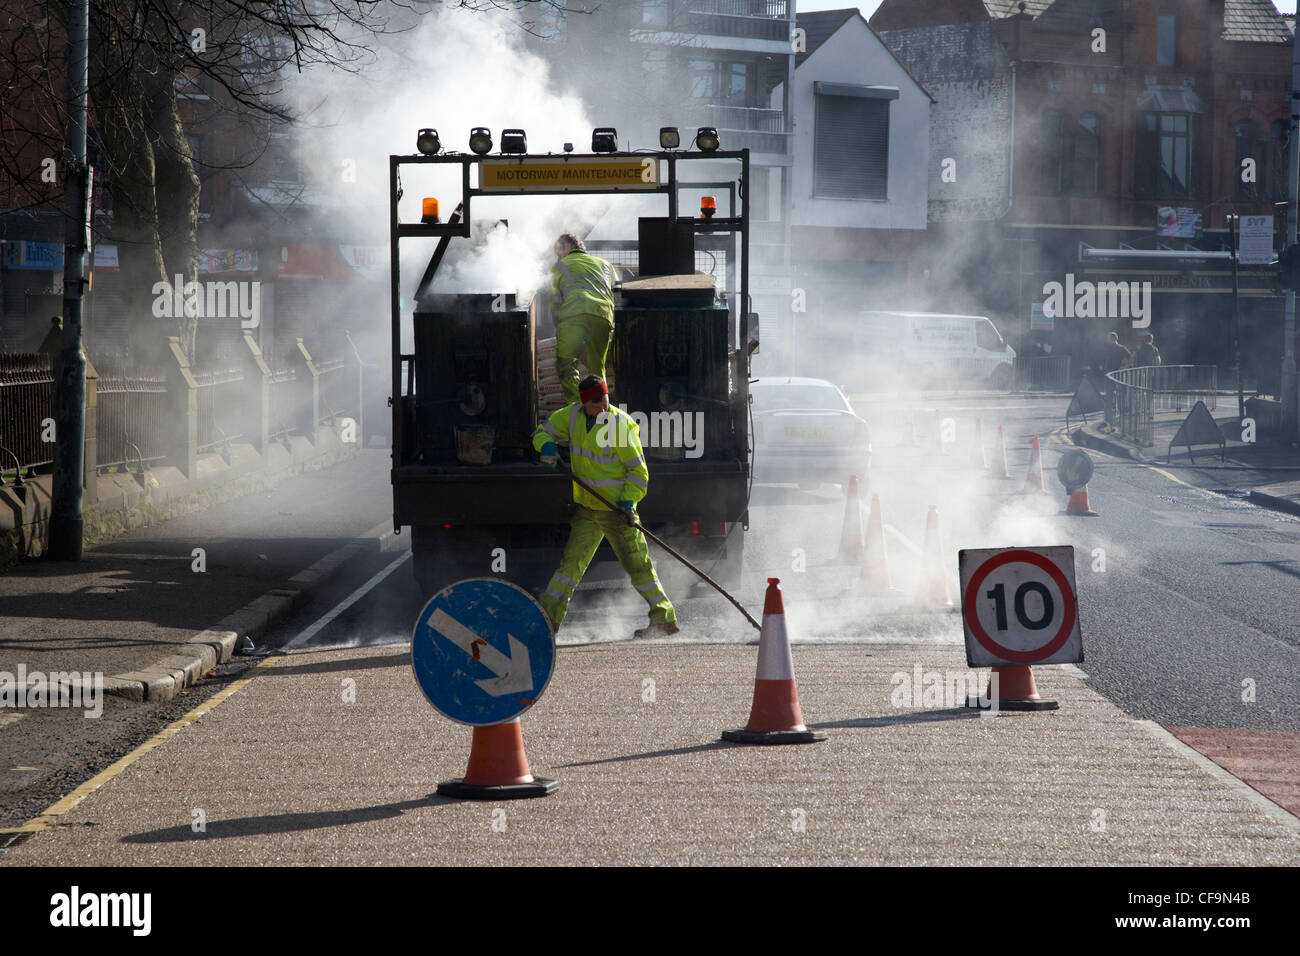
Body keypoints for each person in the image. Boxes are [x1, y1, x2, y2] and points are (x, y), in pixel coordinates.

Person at [533, 375, 679, 638]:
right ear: (583, 402)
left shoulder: (619, 425)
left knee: (639, 567)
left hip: (616, 511)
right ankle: (548, 622)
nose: (602, 407)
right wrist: (546, 445)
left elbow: (638, 472)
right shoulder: (572, 416)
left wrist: (627, 501)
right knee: (568, 569)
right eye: (595, 402)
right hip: (588, 510)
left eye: (605, 400)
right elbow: (543, 432)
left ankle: (664, 618)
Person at [550, 233, 619, 404]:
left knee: (566, 365)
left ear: (566, 247)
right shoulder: (606, 265)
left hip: (573, 315)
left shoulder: (558, 267)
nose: (558, 257)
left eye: (558, 252)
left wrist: (559, 326)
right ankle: (602, 410)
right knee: (597, 369)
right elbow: (618, 294)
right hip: (602, 316)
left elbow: (555, 303)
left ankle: (577, 406)